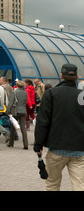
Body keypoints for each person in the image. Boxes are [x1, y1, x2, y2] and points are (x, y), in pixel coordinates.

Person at [34, 63, 84, 191]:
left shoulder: (52, 94)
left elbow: (42, 121)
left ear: (61, 75)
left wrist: (38, 145)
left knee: (52, 184)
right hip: (79, 149)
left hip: (56, 148)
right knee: (80, 185)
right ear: (77, 76)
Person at [6, 80, 28, 149]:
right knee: (23, 128)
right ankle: (26, 145)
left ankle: (11, 143)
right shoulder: (25, 93)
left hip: (15, 111)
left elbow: (11, 102)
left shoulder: (14, 92)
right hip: (23, 111)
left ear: (17, 85)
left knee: (13, 127)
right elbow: (25, 102)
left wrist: (8, 111)